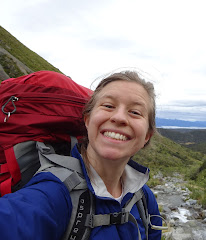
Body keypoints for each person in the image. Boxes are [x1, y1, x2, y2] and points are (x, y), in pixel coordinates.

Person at [0, 71, 162, 240]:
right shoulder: (55, 192)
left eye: (135, 112)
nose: (119, 117)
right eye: (108, 106)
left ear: (147, 136)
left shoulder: (143, 197)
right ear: (87, 120)